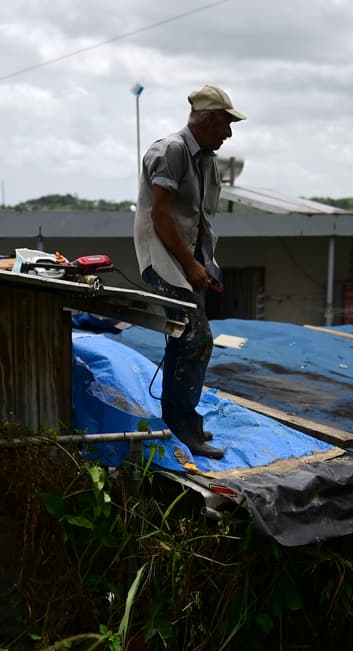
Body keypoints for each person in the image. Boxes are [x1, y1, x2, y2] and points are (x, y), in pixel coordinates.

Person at [133, 84, 245, 460]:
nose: (228, 134)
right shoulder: (172, 151)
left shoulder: (206, 160)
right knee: (196, 340)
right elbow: (160, 216)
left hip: (186, 264)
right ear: (210, 119)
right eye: (226, 124)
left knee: (187, 340)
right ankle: (182, 423)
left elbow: (199, 221)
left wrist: (206, 265)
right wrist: (190, 264)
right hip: (164, 261)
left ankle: (178, 418)